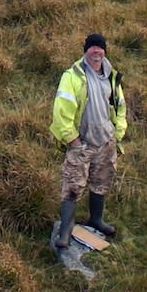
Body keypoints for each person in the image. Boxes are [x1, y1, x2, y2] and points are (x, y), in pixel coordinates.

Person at [50, 33, 127, 251]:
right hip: (81, 144)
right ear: (86, 51)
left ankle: (96, 220)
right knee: (73, 186)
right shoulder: (72, 76)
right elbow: (61, 112)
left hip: (106, 142)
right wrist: (73, 141)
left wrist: (117, 133)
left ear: (104, 51)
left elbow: (120, 106)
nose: (96, 51)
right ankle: (65, 230)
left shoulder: (112, 76)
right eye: (92, 48)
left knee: (101, 181)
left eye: (100, 48)